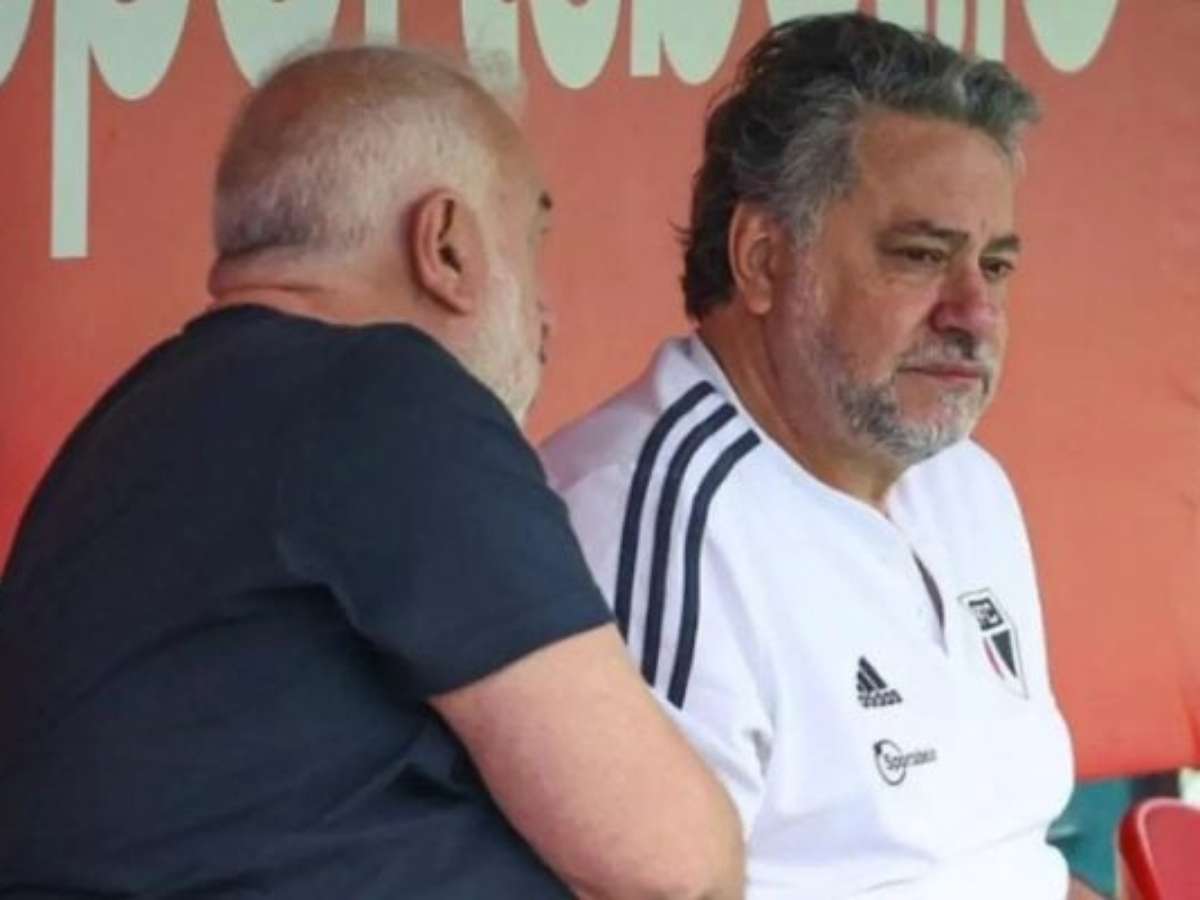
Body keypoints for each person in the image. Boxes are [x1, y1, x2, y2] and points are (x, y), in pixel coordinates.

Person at [0, 45, 743, 899]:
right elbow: (671, 865)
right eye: (530, 242)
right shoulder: (389, 397)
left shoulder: (135, 419)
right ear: (447, 246)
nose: (545, 313)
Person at [542, 14, 1095, 899]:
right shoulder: (651, 512)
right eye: (921, 256)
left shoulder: (966, 482)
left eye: (994, 268)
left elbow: (1010, 865)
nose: (974, 314)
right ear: (764, 260)